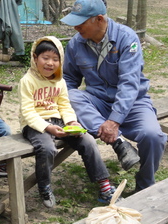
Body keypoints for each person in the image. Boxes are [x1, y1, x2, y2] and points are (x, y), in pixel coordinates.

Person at [61, 0, 168, 192]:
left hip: (133, 102)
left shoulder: (127, 38)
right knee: (71, 95)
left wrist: (115, 120)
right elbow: (69, 80)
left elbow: (129, 84)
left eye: (80, 23)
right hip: (98, 102)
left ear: (99, 19)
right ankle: (119, 143)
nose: (75, 28)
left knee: (154, 136)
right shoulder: (76, 44)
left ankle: (144, 186)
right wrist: (60, 104)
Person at [18, 36, 117, 208]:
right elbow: (28, 112)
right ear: (35, 58)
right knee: (47, 148)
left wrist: (72, 122)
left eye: (55, 59)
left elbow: (64, 105)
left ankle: (104, 187)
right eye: (45, 58)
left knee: (88, 140)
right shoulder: (27, 81)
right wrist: (48, 128)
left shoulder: (60, 81)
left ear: (61, 61)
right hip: (35, 124)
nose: (50, 63)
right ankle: (44, 186)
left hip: (59, 120)